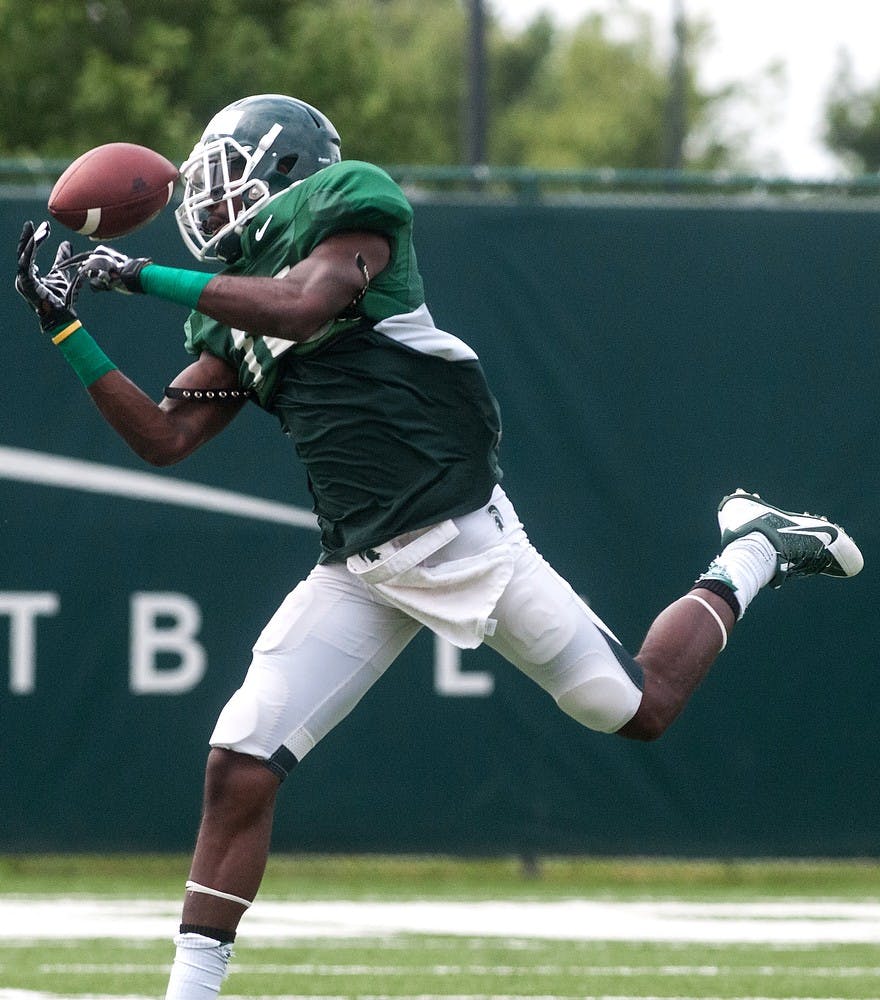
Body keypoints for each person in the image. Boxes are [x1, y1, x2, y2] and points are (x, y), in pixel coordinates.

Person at [15, 94, 863, 1000]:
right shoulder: (225, 312)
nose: (208, 193)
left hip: (464, 540)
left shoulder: (352, 206)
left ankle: (754, 550)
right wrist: (64, 324)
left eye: (229, 169)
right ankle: (191, 992)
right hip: (357, 568)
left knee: (637, 707)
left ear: (287, 169)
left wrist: (135, 276)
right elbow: (163, 437)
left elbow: (304, 307)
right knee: (239, 759)